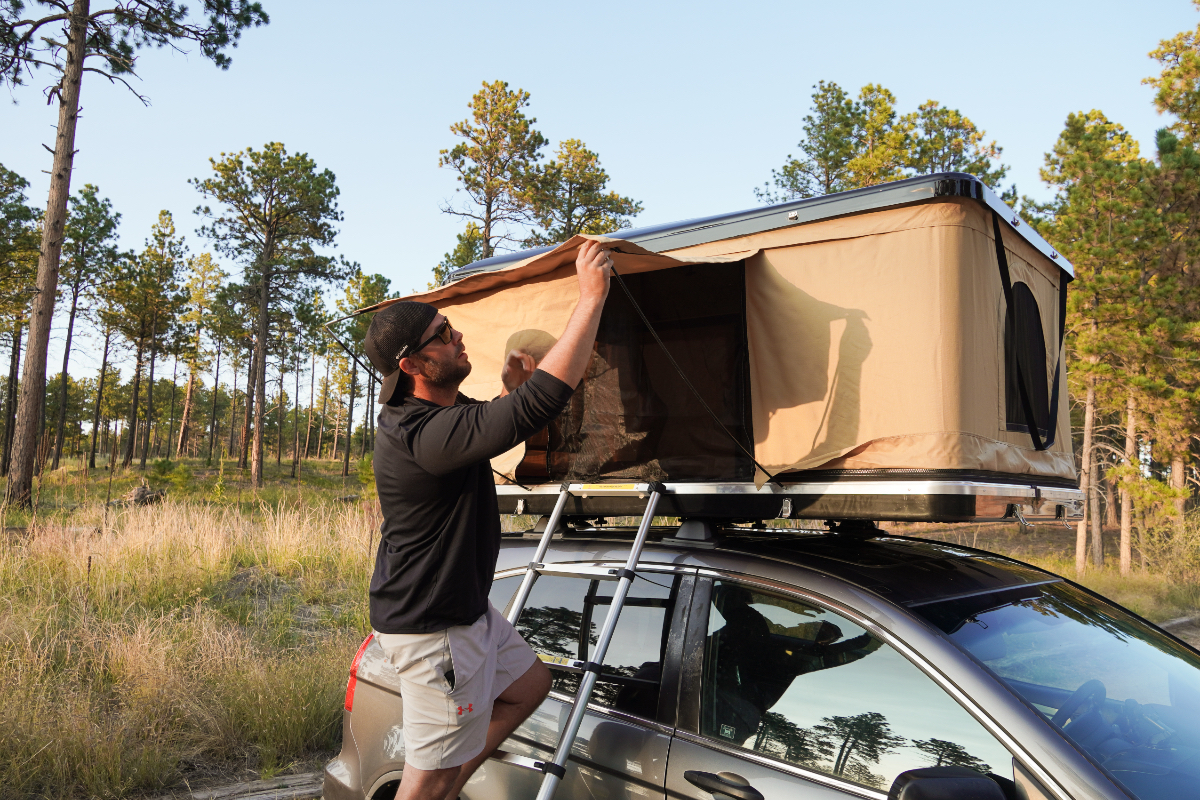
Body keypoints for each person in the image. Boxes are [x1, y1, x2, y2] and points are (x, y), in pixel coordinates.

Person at [362, 240, 613, 800]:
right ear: (412, 365)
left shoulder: (440, 416)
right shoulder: (421, 434)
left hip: (463, 612)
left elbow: (498, 416)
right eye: (443, 336)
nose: (458, 337)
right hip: (436, 632)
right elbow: (532, 410)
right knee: (422, 785)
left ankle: (453, 784)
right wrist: (590, 298)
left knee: (529, 687)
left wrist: (508, 388)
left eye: (451, 326)